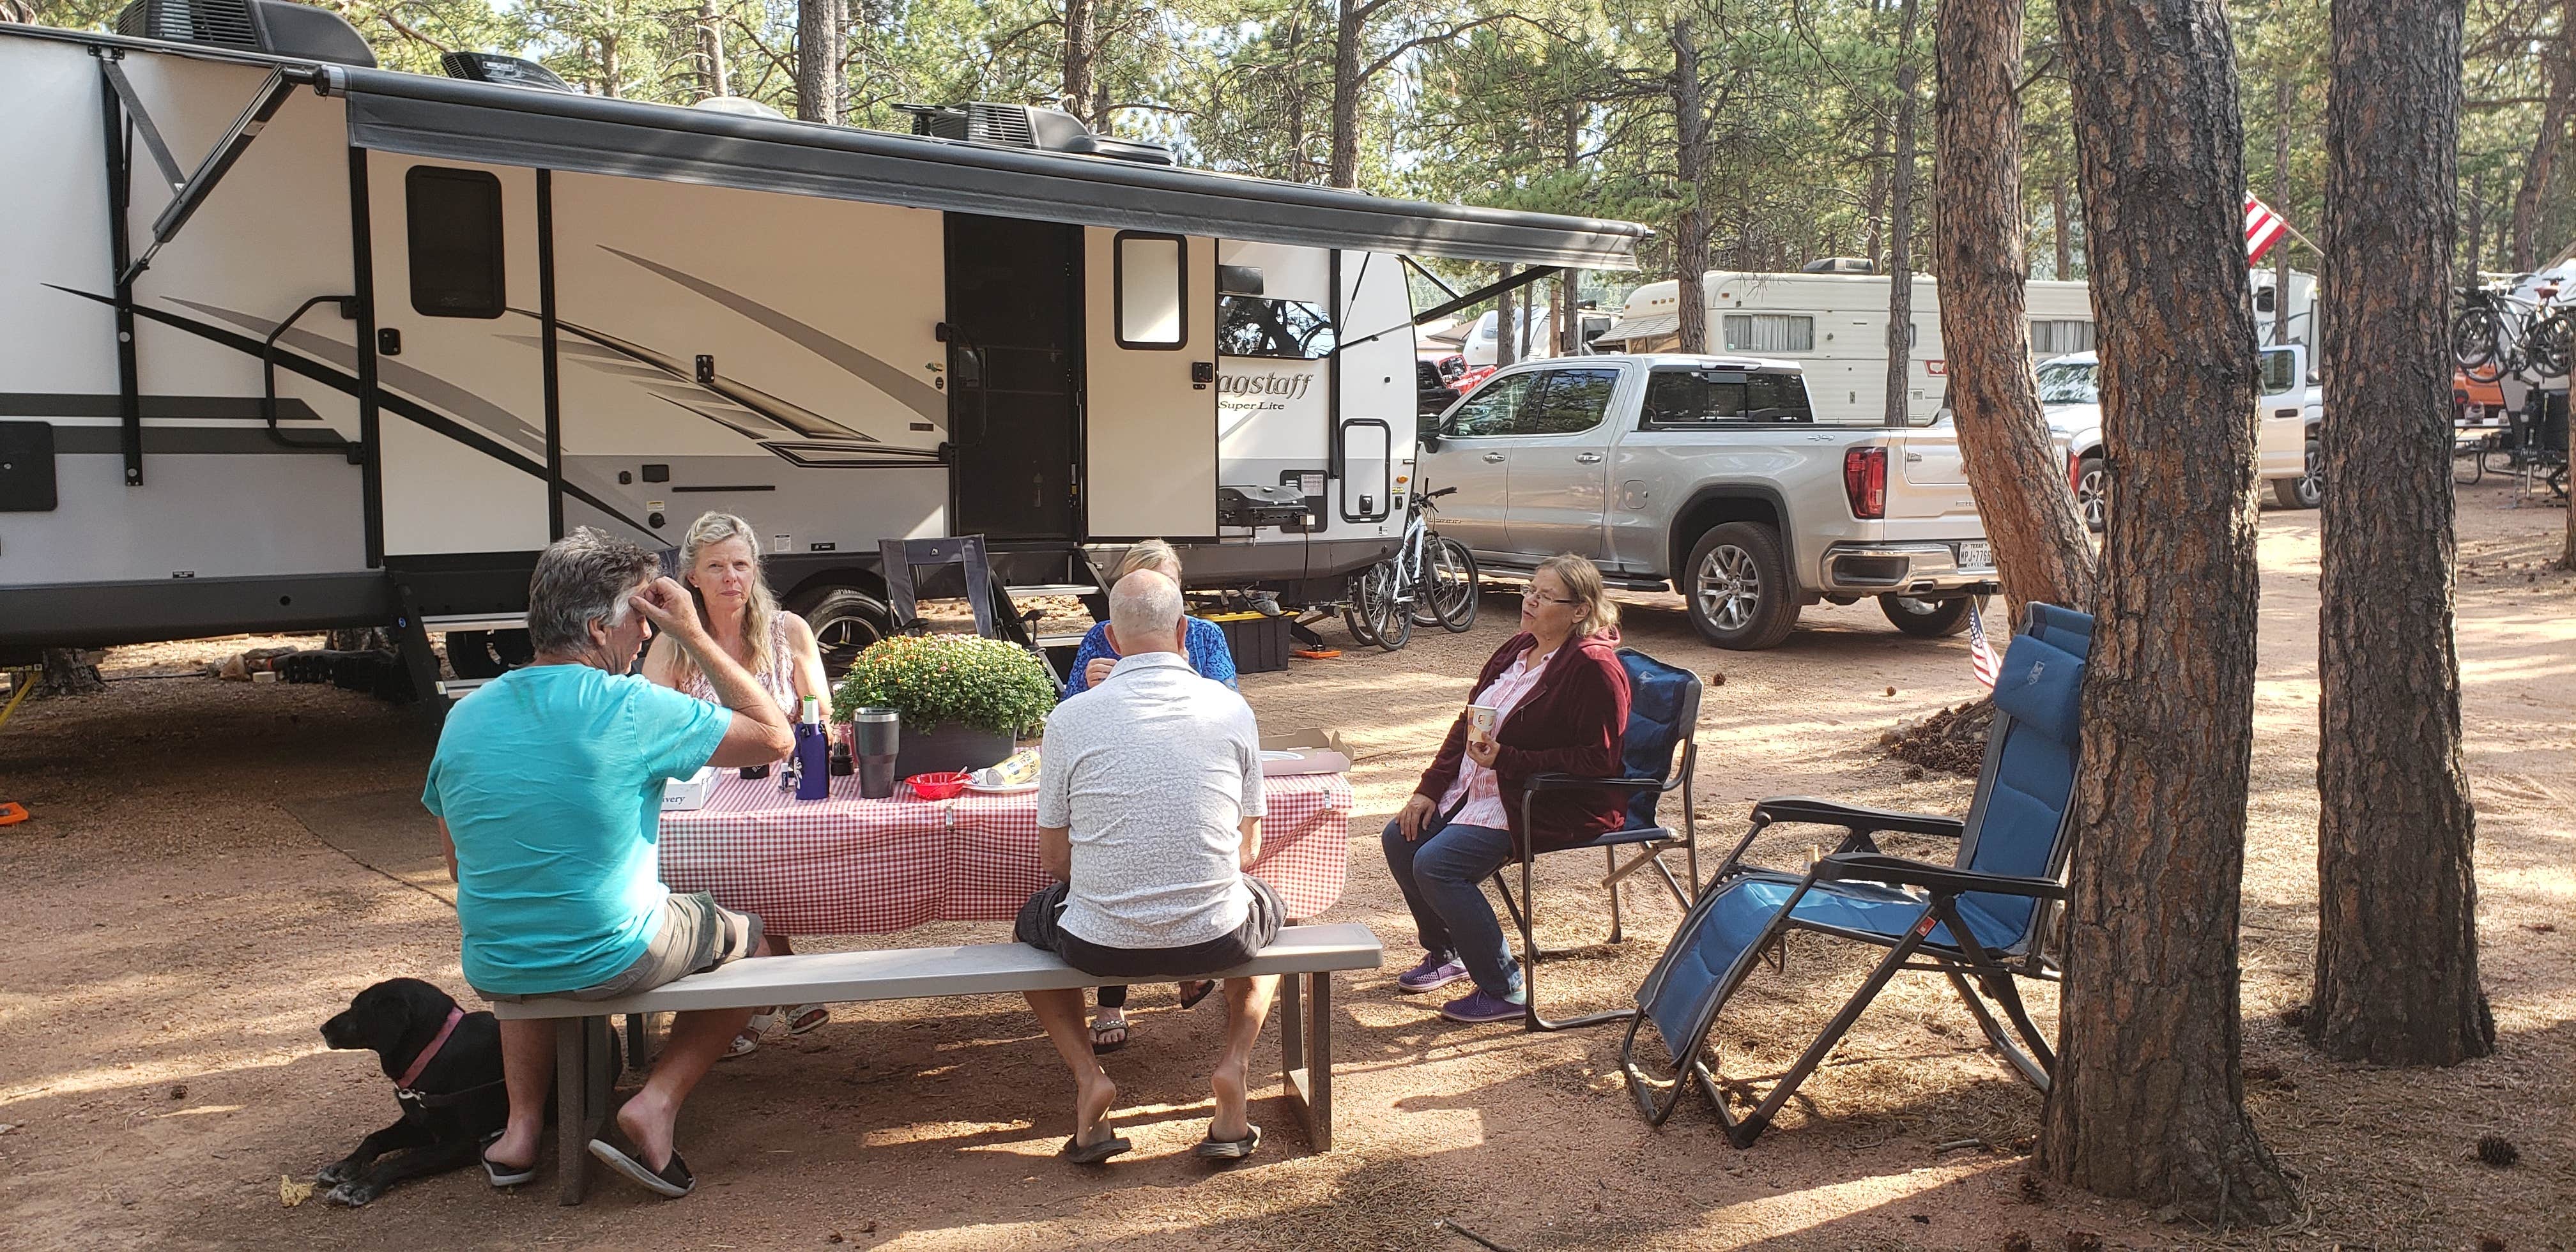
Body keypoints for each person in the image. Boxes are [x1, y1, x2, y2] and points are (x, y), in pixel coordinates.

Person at [425, 528, 797, 1199]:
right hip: (612, 952)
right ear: (599, 629)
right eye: (642, 618)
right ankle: (655, 1101)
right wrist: (693, 632)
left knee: (535, 935)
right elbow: (774, 736)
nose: (646, 636)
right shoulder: (630, 706)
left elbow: (457, 865)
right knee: (760, 941)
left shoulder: (464, 715)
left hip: (495, 961)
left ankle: (520, 1130)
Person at [1015, 570, 1282, 1164]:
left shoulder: (1070, 719)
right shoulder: (1231, 708)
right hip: (1218, 938)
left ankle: (1089, 1077)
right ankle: (1234, 1066)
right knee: (1273, 913)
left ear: (1110, 635)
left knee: (1025, 934)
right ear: (1185, 630)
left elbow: (1055, 861)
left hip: (1099, 946)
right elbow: (1247, 853)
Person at [1380, 553, 1631, 1024]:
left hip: (1543, 800)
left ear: (1579, 611)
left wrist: (1509, 760)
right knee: (1401, 837)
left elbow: (1599, 761)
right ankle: (1447, 952)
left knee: (1438, 865)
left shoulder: (1594, 668)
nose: (1530, 602)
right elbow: (1469, 722)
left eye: (1544, 596)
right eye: (1529, 591)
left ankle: (1505, 988)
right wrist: (1428, 789)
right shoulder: (1517, 648)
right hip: (1480, 789)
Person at [641, 512, 832, 1057]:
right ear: (692, 578)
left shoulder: (787, 628)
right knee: (726, 861)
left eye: (742, 565)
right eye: (717, 566)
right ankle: (777, 986)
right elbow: (654, 727)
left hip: (784, 788)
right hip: (704, 794)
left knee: (764, 860)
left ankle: (760, 994)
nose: (732, 577)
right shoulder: (673, 644)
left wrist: (812, 728)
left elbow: (820, 707)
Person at [1059, 538, 1238, 1053]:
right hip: (1121, 765)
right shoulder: (1101, 638)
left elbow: (1226, 698)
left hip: (1183, 755)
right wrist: (1097, 688)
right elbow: (1069, 715)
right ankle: (1118, 998)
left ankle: (1192, 964)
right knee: (1130, 838)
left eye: (1170, 587)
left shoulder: (1203, 635)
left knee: (1112, 858)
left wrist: (1166, 673)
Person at [1061, 539, 1238, 697]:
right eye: (1143, 583)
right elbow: (1069, 709)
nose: (1156, 592)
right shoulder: (1101, 636)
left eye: (1167, 581)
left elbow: (1230, 702)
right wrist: (1089, 686)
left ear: (1180, 584)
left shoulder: (1206, 635)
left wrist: (1188, 674)